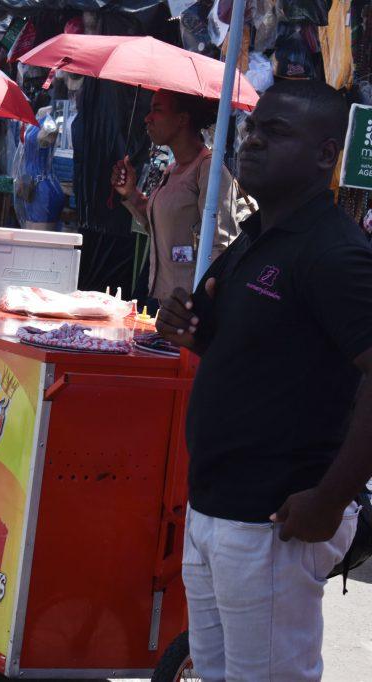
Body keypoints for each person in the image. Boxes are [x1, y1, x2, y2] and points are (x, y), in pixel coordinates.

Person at [156, 80, 372, 681]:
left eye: (275, 133)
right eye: (253, 129)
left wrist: (329, 499)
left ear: (327, 154)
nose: (251, 143)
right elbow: (245, 345)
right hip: (215, 511)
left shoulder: (333, 252)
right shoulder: (256, 237)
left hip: (273, 521)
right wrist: (189, 328)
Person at [111, 90, 239, 308]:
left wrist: (200, 305)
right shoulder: (172, 170)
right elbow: (160, 228)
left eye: (157, 110)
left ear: (182, 119)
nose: (147, 118)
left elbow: (222, 246)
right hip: (162, 302)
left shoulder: (209, 170)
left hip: (188, 310)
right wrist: (131, 193)